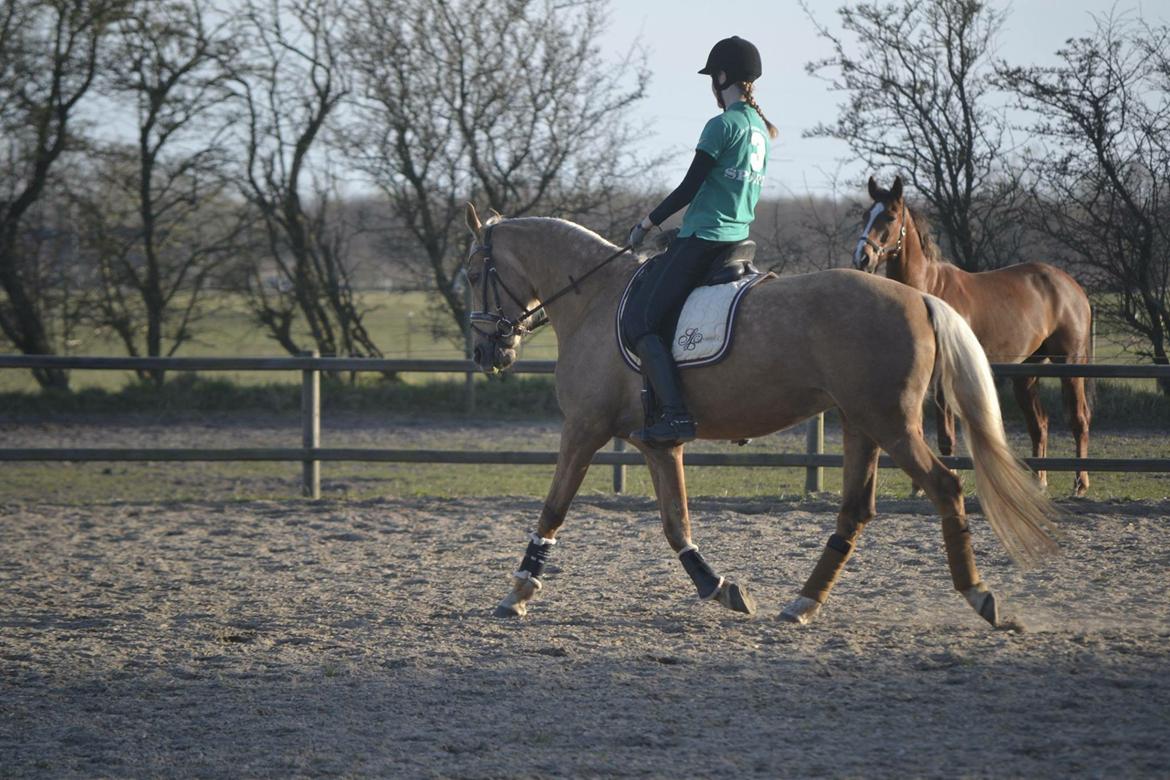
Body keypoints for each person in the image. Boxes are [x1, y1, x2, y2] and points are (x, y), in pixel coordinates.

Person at [621, 35, 778, 447]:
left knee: (641, 320)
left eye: (712, 77)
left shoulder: (722, 125)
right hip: (736, 238)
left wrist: (647, 223)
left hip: (706, 239)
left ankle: (674, 416)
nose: (712, 84)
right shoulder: (760, 129)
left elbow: (690, 186)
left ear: (722, 76)